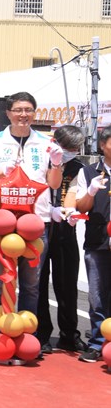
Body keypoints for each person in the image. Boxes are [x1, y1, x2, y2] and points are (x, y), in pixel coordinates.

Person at [0, 92, 61, 313]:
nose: (23, 115)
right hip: (2, 220)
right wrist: (1, 173)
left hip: (36, 220)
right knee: (0, 281)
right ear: (8, 113)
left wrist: (56, 163)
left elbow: (54, 185)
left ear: (34, 113)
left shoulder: (47, 143)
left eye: (28, 110)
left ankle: (27, 335)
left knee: (31, 284)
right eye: (17, 110)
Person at [37, 125, 88, 354]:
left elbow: (73, 195)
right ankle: (41, 334)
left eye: (74, 149)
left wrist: (69, 212)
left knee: (67, 284)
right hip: (39, 228)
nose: (70, 152)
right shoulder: (40, 161)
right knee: (37, 284)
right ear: (55, 142)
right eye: (66, 147)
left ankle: (69, 334)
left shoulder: (79, 168)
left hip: (66, 229)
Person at [73, 125, 111, 363]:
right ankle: (97, 342)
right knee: (97, 297)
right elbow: (81, 207)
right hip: (97, 243)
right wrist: (90, 191)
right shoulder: (88, 172)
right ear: (102, 146)